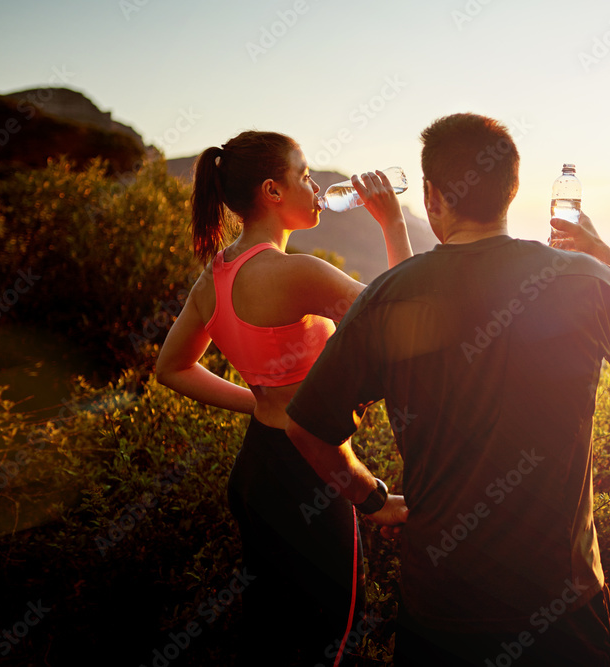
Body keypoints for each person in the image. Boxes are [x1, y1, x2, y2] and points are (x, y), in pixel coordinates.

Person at [284, 113, 610, 666]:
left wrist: (371, 498)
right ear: (512, 190)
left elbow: (305, 425)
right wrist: (601, 252)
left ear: (432, 195)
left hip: (441, 610)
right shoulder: (580, 280)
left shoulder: (390, 296)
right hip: (561, 608)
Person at [154, 130, 410, 666]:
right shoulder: (296, 273)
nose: (316, 187)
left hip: (255, 473)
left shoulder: (216, 274)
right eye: (304, 175)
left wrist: (259, 403)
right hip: (309, 475)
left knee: (270, 636)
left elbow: (171, 368)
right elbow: (402, 323)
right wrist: (392, 223)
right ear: (273, 190)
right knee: (327, 640)